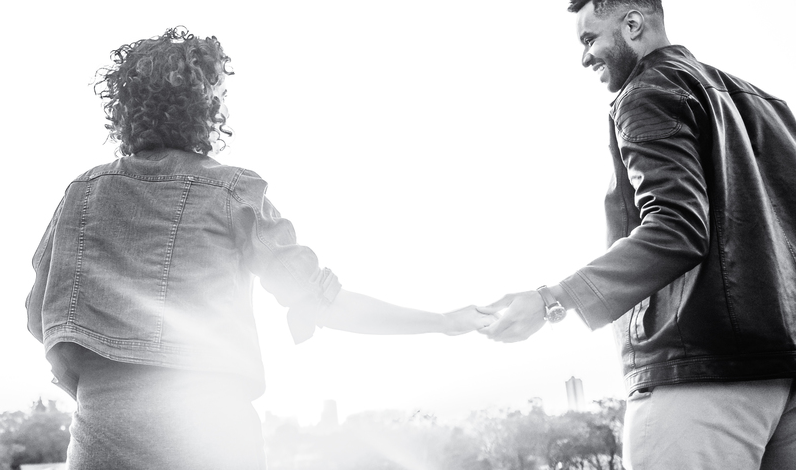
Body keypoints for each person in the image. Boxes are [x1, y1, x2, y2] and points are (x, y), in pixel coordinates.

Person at [26, 26, 492, 470]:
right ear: (204, 106)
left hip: (102, 438)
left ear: (126, 109)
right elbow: (326, 304)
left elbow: (37, 315)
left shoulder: (81, 194)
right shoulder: (231, 191)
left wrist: (104, 387)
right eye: (220, 95)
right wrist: (443, 322)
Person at [480, 0, 796, 469]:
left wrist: (551, 300)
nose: (584, 57)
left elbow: (677, 227)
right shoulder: (770, 106)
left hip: (699, 376)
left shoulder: (646, 93)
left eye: (589, 38)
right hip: (787, 374)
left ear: (632, 25)